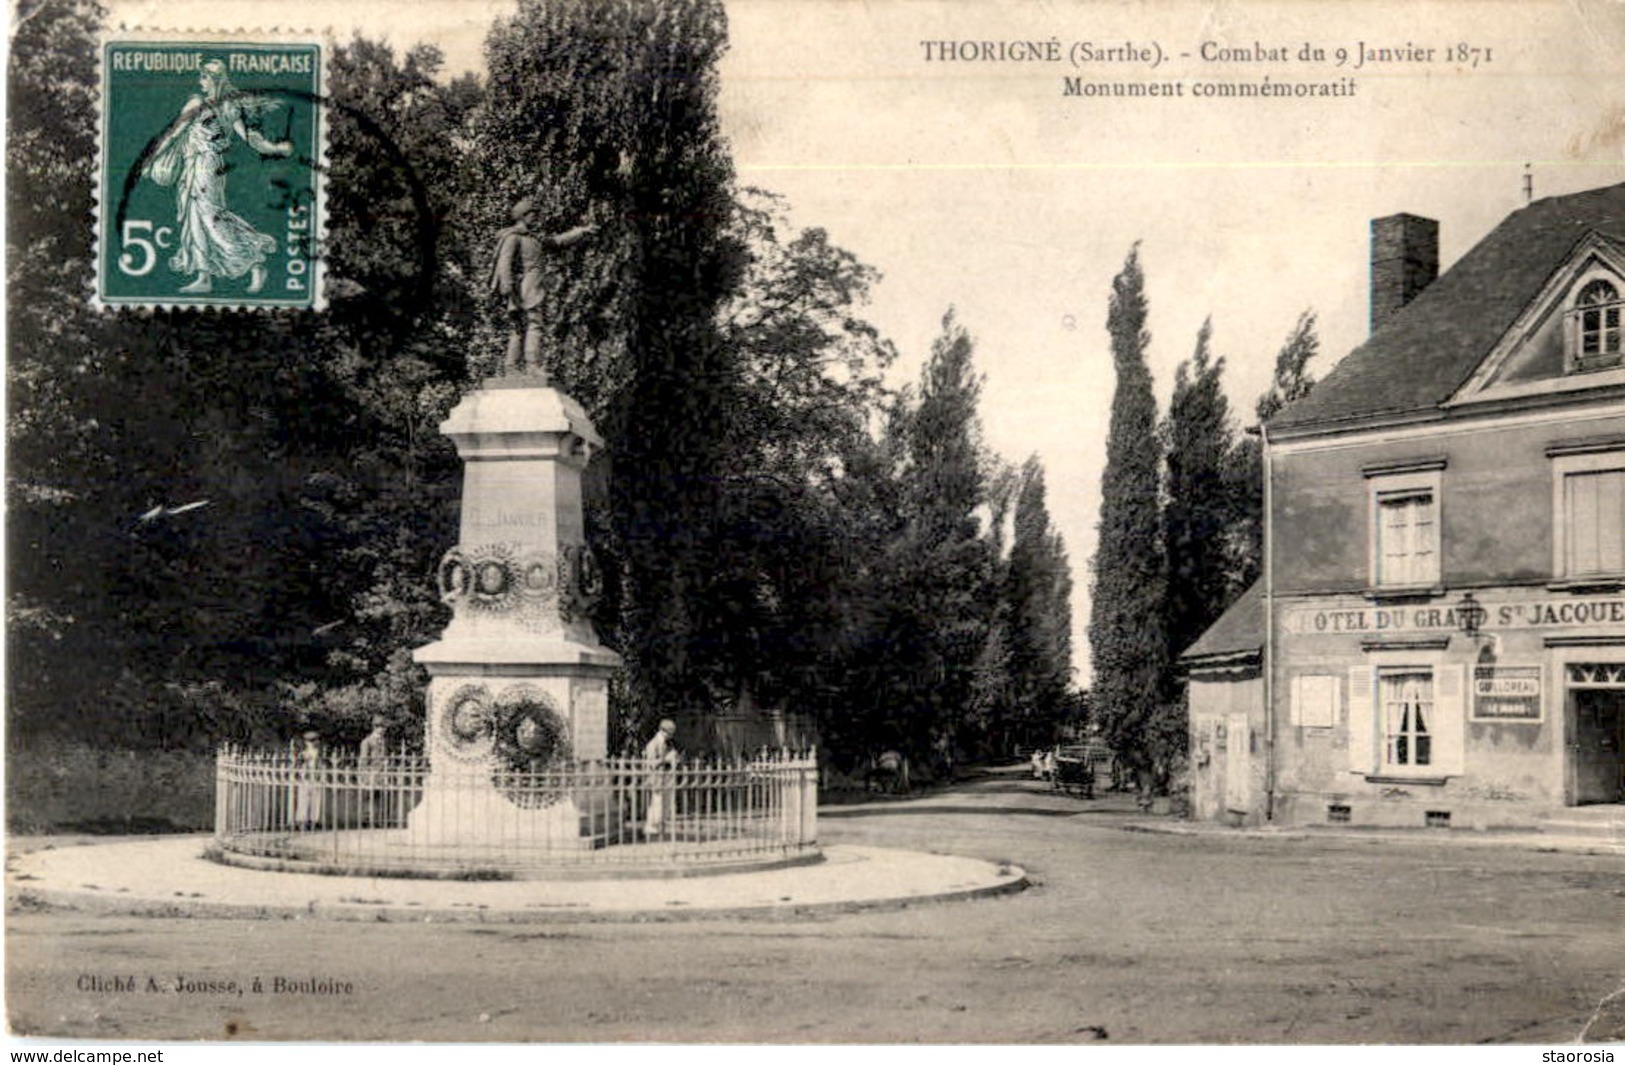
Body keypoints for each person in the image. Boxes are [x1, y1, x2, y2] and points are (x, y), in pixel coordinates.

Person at [143, 58, 294, 295]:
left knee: (210, 217)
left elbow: (247, 138)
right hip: (194, 167)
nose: (200, 81)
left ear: (214, 80)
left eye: (204, 77)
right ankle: (204, 277)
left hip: (205, 166)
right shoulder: (209, 105)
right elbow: (175, 134)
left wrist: (274, 149)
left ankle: (255, 262)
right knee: (195, 219)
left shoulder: (222, 107)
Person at [490, 199, 597, 377]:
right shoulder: (513, 237)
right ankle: (530, 366)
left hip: (527, 288)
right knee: (532, 325)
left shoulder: (534, 238)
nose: (536, 218)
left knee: (520, 328)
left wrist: (581, 231)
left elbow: (557, 241)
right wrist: (507, 287)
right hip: (524, 290)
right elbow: (504, 262)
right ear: (523, 216)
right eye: (533, 214)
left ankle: (512, 368)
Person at [642, 718, 678, 838]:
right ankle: (651, 827)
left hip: (665, 778)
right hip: (656, 779)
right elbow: (651, 763)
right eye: (669, 733)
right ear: (663, 731)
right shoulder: (653, 744)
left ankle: (659, 827)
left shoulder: (667, 744)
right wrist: (666, 759)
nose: (670, 736)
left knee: (664, 805)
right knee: (656, 803)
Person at [357, 714, 390, 826]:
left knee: (378, 797)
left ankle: (377, 820)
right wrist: (364, 774)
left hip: (381, 773)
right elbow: (364, 759)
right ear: (375, 727)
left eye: (384, 727)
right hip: (371, 772)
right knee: (368, 797)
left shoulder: (383, 741)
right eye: (380, 727)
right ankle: (366, 820)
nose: (383, 730)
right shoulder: (367, 742)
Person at [291, 731, 324, 830]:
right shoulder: (303, 753)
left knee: (316, 799)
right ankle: (302, 821)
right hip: (305, 778)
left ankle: (314, 820)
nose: (314, 743)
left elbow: (321, 765)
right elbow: (297, 766)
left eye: (315, 740)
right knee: (303, 799)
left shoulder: (320, 753)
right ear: (306, 742)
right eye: (311, 741)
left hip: (316, 777)